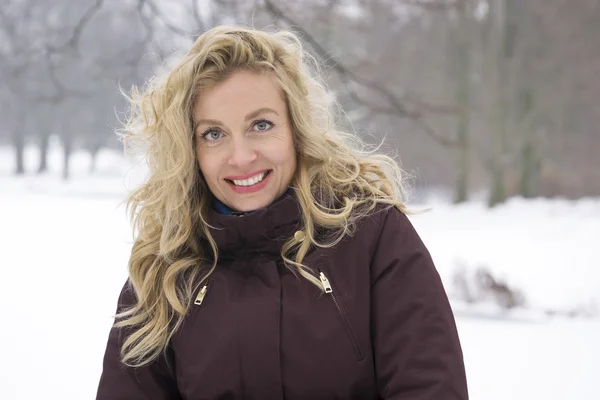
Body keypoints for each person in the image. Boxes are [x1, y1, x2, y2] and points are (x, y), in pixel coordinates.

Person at [96, 25, 468, 400]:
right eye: (213, 134)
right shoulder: (164, 268)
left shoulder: (373, 237)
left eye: (261, 125)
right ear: (190, 150)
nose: (241, 157)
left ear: (295, 128)